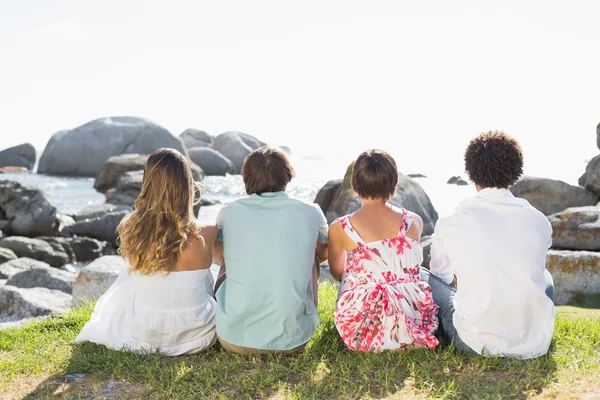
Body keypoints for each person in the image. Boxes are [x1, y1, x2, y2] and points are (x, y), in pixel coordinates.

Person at [422, 131, 555, 359]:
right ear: (516, 172)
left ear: (471, 172)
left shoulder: (452, 219)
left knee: (424, 276)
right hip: (535, 341)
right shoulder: (539, 220)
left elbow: (441, 275)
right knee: (548, 279)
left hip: (474, 341)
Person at [76, 148, 218, 355]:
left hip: (145, 334)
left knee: (132, 280)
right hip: (199, 336)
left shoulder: (131, 229)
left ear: (147, 183)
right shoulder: (208, 232)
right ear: (187, 184)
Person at [213, 146, 328, 355]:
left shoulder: (228, 211)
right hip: (294, 340)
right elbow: (325, 250)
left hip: (232, 337)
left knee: (228, 254)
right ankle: (299, 310)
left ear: (247, 178)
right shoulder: (310, 211)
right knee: (312, 255)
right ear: (286, 175)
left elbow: (216, 250)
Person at [328, 149, 439, 352]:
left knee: (353, 273)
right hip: (412, 318)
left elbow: (337, 273)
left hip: (364, 327)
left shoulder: (340, 227)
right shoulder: (414, 221)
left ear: (354, 184)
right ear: (393, 183)